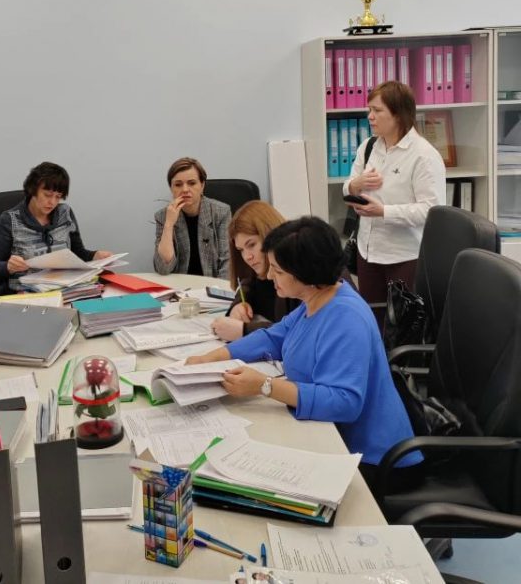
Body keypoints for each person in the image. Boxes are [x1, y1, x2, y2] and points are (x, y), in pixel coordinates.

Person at [186, 216, 422, 487]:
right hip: (333, 437)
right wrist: (211, 358)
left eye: (278, 270)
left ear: (306, 274)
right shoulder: (315, 299)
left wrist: (264, 386)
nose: (270, 276)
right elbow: (273, 338)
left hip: (375, 460)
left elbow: (344, 402)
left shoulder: (346, 318)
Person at [344, 80, 445, 314]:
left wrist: (384, 212)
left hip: (404, 257)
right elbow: (347, 189)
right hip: (367, 252)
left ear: (398, 114)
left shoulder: (424, 156)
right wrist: (355, 185)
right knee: (372, 319)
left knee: (403, 325)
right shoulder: (368, 147)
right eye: (369, 109)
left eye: (377, 110)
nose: (370, 116)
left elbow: (431, 211)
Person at [0, 161, 112, 294]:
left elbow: (78, 253)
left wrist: (95, 255)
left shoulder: (65, 213)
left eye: (58, 197)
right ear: (33, 190)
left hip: (65, 289)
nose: (52, 202)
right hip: (26, 294)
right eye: (47, 195)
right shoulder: (9, 220)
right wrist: (8, 267)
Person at [211, 200, 298, 342]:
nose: (247, 257)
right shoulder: (258, 272)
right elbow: (247, 283)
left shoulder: (298, 275)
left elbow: (296, 333)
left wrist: (244, 331)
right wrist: (238, 304)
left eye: (251, 245)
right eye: (241, 250)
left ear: (269, 234)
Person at [153, 157, 231, 279]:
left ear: (202, 185)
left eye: (192, 183)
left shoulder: (221, 213)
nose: (185, 189)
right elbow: (163, 269)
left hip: (213, 285)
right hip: (179, 286)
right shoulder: (163, 216)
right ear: (171, 188)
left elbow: (227, 263)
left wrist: (218, 289)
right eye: (178, 184)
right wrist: (169, 224)